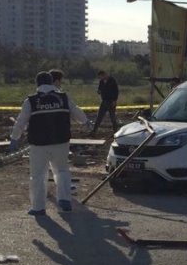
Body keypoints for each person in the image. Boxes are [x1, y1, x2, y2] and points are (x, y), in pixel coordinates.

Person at [10, 71, 91, 216]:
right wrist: (85, 122)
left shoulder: (31, 101)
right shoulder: (63, 97)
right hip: (61, 142)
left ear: (38, 84)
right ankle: (65, 200)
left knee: (38, 175)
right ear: (51, 82)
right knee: (62, 170)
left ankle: (38, 207)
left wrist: (14, 138)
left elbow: (21, 122)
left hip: (39, 144)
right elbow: (76, 111)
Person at [89, 70, 119, 137]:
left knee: (113, 118)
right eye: (100, 77)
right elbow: (99, 89)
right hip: (104, 101)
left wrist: (114, 101)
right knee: (99, 117)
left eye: (101, 77)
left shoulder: (112, 80)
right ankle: (94, 132)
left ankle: (116, 133)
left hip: (111, 102)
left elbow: (116, 91)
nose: (101, 78)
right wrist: (99, 91)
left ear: (104, 74)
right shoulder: (101, 81)